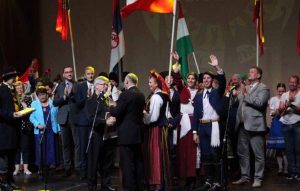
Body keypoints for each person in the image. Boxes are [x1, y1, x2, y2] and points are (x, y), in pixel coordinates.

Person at [192, 55, 226, 191]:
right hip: (202, 127)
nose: (206, 80)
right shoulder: (199, 95)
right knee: (205, 155)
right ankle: (208, 181)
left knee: (214, 154)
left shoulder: (217, 92)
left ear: (212, 81)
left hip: (214, 126)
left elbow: (223, 81)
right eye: (204, 78)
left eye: (208, 78)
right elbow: (195, 115)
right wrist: (195, 132)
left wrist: (217, 67)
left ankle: (218, 182)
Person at [232, 66, 270, 188]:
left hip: (255, 126)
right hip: (242, 125)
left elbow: (260, 103)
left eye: (252, 71)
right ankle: (245, 176)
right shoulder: (246, 87)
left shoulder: (263, 88)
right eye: (249, 71)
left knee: (258, 154)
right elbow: (240, 103)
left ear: (258, 75)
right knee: (242, 153)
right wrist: (235, 95)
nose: (249, 73)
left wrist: (245, 93)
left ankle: (258, 178)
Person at [109, 73, 145, 191]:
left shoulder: (125, 94)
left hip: (126, 134)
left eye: (124, 81)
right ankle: (139, 185)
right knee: (137, 160)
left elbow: (117, 112)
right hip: (137, 133)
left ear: (127, 82)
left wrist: (111, 106)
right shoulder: (141, 94)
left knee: (127, 162)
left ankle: (129, 187)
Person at [171, 52, 199, 189]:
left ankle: (193, 178)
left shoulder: (200, 92)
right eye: (189, 78)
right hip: (183, 124)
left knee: (193, 153)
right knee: (183, 152)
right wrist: (177, 62)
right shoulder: (183, 90)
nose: (191, 81)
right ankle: (186, 179)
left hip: (194, 123)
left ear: (196, 81)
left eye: (193, 79)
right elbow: (176, 78)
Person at [84, 76, 116, 191]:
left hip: (107, 135)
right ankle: (92, 186)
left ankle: (106, 185)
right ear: (96, 86)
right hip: (96, 135)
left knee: (107, 162)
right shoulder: (91, 101)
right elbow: (90, 119)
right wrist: (104, 121)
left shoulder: (107, 99)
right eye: (104, 84)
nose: (106, 86)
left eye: (107, 84)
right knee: (93, 162)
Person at [143, 71, 170, 191]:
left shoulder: (156, 97)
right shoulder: (161, 96)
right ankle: (159, 181)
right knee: (159, 153)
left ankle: (156, 182)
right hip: (160, 128)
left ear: (157, 84)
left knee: (155, 154)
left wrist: (144, 116)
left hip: (155, 129)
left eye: (150, 82)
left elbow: (153, 117)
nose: (149, 84)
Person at [53, 66, 79, 177]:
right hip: (63, 119)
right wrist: (64, 97)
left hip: (74, 117)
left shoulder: (77, 85)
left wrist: (71, 96)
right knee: (66, 145)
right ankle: (68, 167)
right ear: (63, 74)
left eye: (70, 72)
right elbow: (55, 102)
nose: (69, 74)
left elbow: (80, 101)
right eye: (66, 72)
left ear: (73, 73)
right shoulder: (59, 86)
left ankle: (78, 167)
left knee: (77, 144)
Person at [0, 66, 22, 190]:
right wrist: (10, 114)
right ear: (7, 77)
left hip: (13, 128)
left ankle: (10, 179)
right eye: (13, 76)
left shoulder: (12, 89)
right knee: (4, 156)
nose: (15, 78)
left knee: (12, 154)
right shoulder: (1, 89)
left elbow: (15, 106)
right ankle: (3, 182)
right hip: (4, 129)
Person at [30, 86, 60, 172]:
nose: (42, 97)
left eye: (43, 94)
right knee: (41, 148)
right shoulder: (34, 104)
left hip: (51, 129)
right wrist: (37, 124)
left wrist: (58, 129)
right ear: (37, 96)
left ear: (47, 95)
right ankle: (41, 166)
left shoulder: (53, 103)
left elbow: (56, 116)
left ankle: (51, 165)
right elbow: (31, 117)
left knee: (51, 147)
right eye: (40, 95)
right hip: (40, 130)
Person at [74, 66, 95, 180]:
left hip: (94, 121)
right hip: (83, 121)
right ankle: (83, 171)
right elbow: (78, 103)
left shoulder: (97, 85)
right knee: (83, 147)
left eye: (92, 73)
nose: (90, 75)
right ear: (85, 75)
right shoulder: (80, 86)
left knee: (93, 146)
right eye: (88, 74)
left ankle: (93, 170)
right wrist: (87, 97)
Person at [278, 75, 300, 180]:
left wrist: (291, 104)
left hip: (298, 124)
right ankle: (291, 173)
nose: (291, 84)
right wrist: (287, 105)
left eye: (294, 82)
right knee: (289, 150)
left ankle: (298, 173)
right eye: (290, 82)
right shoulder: (285, 95)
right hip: (286, 125)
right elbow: (280, 110)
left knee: (298, 149)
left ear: (298, 84)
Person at [266, 83, 288, 176]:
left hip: (285, 122)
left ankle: (286, 169)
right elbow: (272, 113)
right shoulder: (273, 99)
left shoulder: (287, 99)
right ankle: (280, 168)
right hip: (276, 123)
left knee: (285, 148)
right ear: (276, 90)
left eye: (283, 91)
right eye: (279, 91)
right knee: (278, 148)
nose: (281, 93)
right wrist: (278, 110)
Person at [13, 81, 34, 176]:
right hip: (15, 127)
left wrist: (25, 106)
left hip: (25, 126)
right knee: (17, 148)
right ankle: (16, 169)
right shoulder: (13, 99)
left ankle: (26, 169)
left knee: (25, 148)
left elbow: (31, 110)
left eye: (21, 88)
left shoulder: (28, 98)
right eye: (17, 88)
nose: (19, 90)